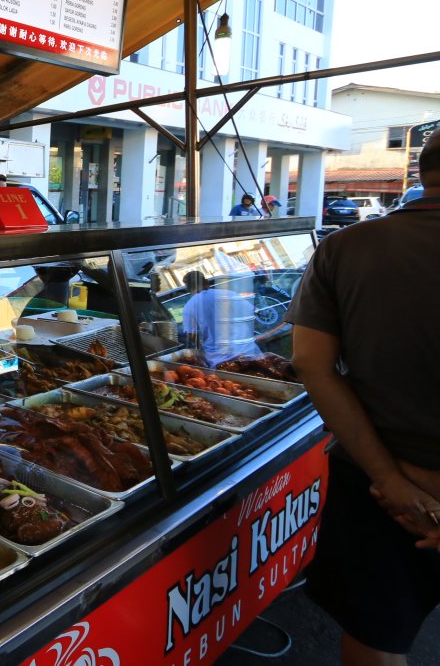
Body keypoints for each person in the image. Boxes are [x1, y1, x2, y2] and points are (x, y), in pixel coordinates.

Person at [287, 131, 440, 665]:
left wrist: (394, 480)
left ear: (420, 174)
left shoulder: (346, 246)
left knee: (377, 642)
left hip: (378, 490)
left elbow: (310, 363)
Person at [179, 270, 263, 367]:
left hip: (220, 359)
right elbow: (250, 313)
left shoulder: (189, 307)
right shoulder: (228, 294)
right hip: (247, 351)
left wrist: (202, 346)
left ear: (188, 288)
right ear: (206, 281)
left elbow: (192, 334)